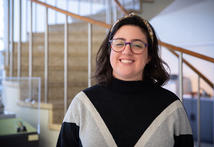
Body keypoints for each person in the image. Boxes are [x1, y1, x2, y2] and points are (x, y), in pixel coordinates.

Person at [56, 13, 194, 147]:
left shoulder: (172, 107)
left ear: (149, 56)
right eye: (119, 43)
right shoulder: (82, 104)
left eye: (137, 45)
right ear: (110, 50)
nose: (127, 51)